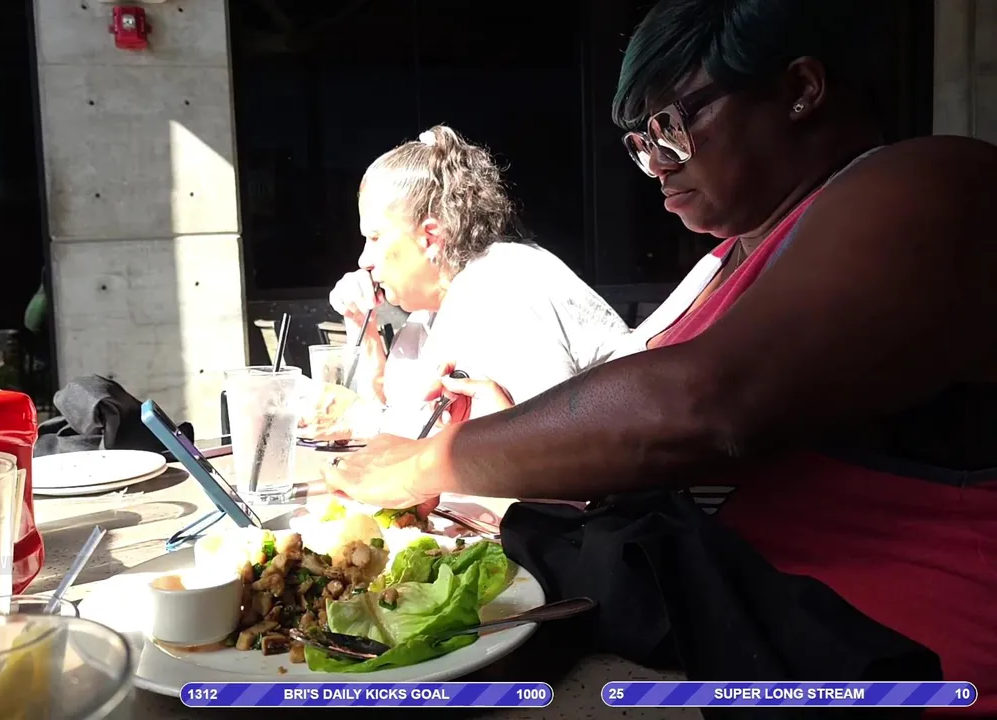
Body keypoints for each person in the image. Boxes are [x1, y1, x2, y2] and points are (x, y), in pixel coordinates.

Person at [322, 0, 997, 711]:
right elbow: (633, 432)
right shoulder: (725, 262)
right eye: (639, 142)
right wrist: (509, 428)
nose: (655, 166)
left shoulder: (936, 183)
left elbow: (701, 405)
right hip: (723, 647)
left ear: (800, 89)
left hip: (906, 673)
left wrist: (428, 461)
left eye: (672, 126)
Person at [315, 124, 628, 438]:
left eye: (374, 237)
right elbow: (396, 419)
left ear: (430, 237)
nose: (364, 260)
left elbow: (549, 446)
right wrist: (364, 327)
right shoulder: (431, 312)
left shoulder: (503, 286)